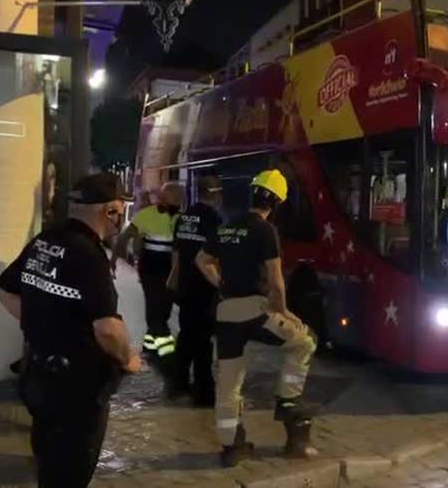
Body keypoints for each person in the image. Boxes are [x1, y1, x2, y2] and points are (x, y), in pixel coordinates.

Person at [0, 173, 142, 487]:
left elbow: (2, 290)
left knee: (48, 463)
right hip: (76, 389)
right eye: (120, 208)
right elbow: (108, 330)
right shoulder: (89, 255)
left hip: (37, 376)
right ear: (109, 211)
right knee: (71, 471)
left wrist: (43, 325)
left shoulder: (44, 242)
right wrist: (128, 359)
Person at [196, 169, 318, 467]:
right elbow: (276, 282)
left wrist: (221, 284)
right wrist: (285, 311)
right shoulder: (266, 231)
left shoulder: (227, 226)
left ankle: (232, 447)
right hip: (256, 310)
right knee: (304, 342)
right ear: (276, 203)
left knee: (228, 383)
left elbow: (201, 260)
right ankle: (287, 400)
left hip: (226, 313)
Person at [112, 182, 183, 368]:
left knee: (163, 309)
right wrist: (113, 260)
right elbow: (125, 236)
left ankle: (150, 345)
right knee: (155, 309)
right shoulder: (147, 215)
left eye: (177, 200)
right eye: (170, 199)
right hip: (151, 269)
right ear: (162, 198)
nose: (174, 203)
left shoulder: (182, 219)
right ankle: (165, 351)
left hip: (171, 270)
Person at [167, 175, 223, 406]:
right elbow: (215, 257)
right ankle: (204, 390)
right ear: (216, 194)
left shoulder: (185, 217)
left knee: (187, 333)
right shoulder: (214, 219)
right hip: (205, 287)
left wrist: (174, 279)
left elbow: (178, 253)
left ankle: (178, 382)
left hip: (185, 285)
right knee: (203, 340)